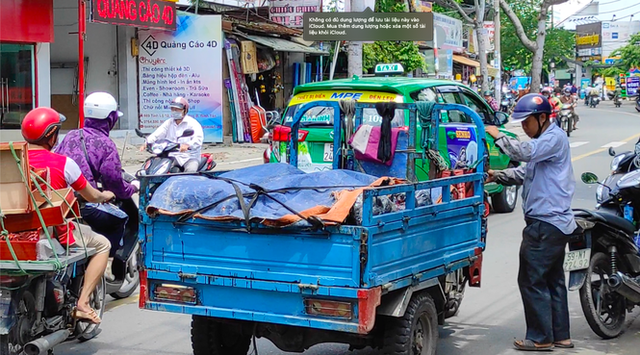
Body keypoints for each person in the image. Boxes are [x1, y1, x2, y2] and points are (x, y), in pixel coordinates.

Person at [485, 93, 576, 351]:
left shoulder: (552, 139)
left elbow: (524, 153)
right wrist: (497, 175)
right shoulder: (547, 143)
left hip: (545, 224)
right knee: (552, 280)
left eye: (527, 122)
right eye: (521, 123)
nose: (524, 127)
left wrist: (498, 135)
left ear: (543, 117)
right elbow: (525, 172)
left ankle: (539, 338)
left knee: (531, 280)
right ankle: (561, 335)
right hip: (555, 224)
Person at [21, 107, 115, 324]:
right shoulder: (63, 163)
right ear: (52, 135)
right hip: (49, 233)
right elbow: (90, 196)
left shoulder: (10, 160)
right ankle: (82, 303)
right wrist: (105, 195)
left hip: (11, 235)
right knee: (102, 244)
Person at [55, 92, 139, 281]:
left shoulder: (70, 136)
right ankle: (107, 262)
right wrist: (132, 188)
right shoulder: (106, 145)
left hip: (63, 203)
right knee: (120, 219)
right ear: (110, 118)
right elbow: (114, 184)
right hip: (87, 205)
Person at [140, 97, 204, 172]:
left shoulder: (193, 124)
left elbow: (198, 139)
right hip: (173, 156)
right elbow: (157, 134)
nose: (174, 111)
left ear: (185, 110)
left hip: (189, 157)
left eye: (177, 109)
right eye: (173, 109)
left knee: (190, 171)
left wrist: (188, 145)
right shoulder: (169, 123)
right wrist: (147, 142)